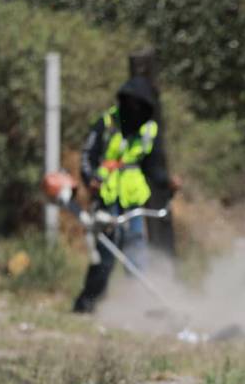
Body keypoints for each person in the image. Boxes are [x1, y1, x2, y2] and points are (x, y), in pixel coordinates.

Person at [73, 76, 174, 313]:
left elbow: (153, 167)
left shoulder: (148, 129)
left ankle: (140, 304)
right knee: (107, 252)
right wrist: (91, 181)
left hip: (133, 199)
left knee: (136, 248)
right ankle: (87, 302)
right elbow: (87, 155)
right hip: (108, 197)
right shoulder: (106, 123)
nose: (134, 109)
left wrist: (167, 183)